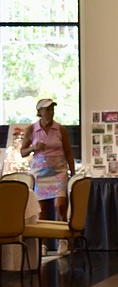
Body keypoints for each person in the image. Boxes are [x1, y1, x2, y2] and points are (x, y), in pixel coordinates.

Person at [20, 98, 76, 256]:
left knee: (60, 205)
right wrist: (33, 147)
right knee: (41, 209)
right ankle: (43, 243)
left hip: (58, 171)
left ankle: (63, 240)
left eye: (52, 109)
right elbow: (22, 152)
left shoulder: (60, 129)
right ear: (40, 112)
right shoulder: (32, 129)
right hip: (40, 173)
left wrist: (72, 172)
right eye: (47, 110)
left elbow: (68, 152)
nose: (50, 112)